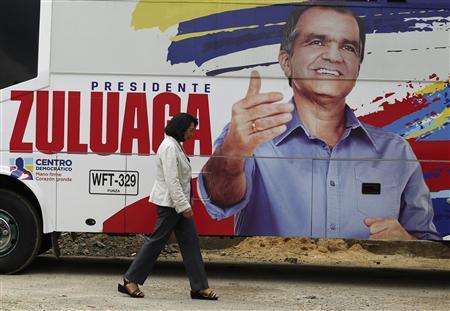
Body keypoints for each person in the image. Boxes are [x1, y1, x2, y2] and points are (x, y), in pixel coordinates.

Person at [198, 4, 441, 240]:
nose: (334, 56)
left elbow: (428, 246)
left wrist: (406, 242)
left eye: (348, 47)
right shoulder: (249, 138)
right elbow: (220, 201)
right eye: (317, 42)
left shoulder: (396, 152)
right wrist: (232, 153)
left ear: (357, 68)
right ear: (286, 61)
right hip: (274, 283)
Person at [118, 113, 219, 300]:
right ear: (180, 128)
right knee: (156, 242)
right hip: (171, 205)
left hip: (177, 204)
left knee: (191, 243)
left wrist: (185, 203)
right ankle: (130, 279)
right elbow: (172, 180)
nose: (192, 135)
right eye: (190, 130)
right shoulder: (169, 147)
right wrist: (183, 205)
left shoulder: (175, 145)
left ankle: (199, 287)